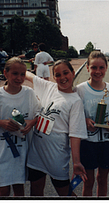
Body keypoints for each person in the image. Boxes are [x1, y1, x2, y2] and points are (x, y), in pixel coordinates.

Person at [25, 59, 88, 196]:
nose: (62, 78)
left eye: (66, 73)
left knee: (64, 192)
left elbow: (75, 134)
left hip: (56, 155)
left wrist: (76, 162)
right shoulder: (49, 87)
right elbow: (28, 75)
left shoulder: (75, 101)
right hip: (37, 152)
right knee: (35, 192)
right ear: (54, 77)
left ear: (72, 73)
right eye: (58, 75)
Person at [0, 57, 41, 196]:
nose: (19, 78)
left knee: (19, 185)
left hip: (23, 149)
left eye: (22, 74)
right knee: (3, 187)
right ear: (5, 73)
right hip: (3, 149)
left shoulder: (29, 93)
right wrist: (1, 123)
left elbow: (39, 113)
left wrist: (31, 122)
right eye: (15, 73)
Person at [75, 51, 109, 196]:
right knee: (88, 180)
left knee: (102, 179)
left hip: (108, 142)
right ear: (87, 68)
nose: (97, 71)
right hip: (88, 142)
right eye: (94, 67)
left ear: (106, 68)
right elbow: (75, 115)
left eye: (101, 68)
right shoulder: (80, 89)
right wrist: (84, 120)